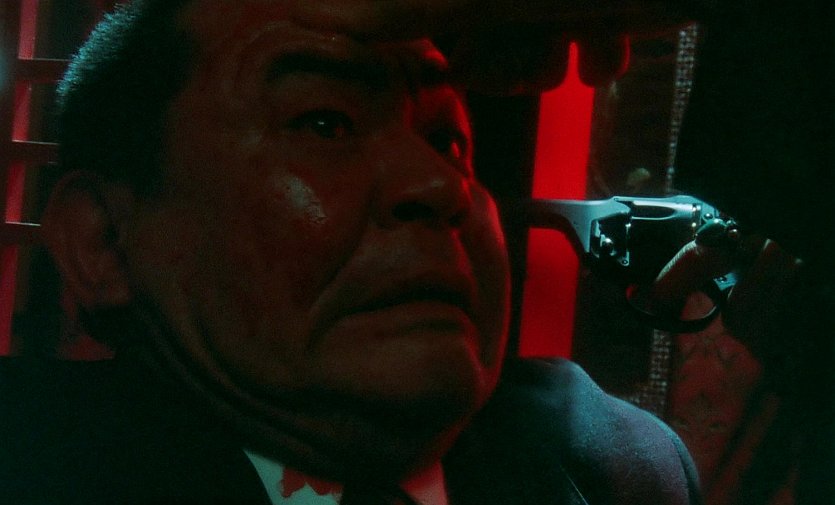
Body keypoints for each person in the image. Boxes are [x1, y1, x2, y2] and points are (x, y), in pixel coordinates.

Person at [5, 0, 792, 503]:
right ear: (104, 241)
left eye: (447, 139)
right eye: (324, 123)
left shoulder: (619, 466)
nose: (441, 185)